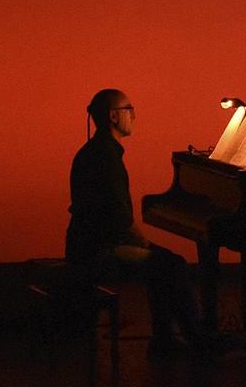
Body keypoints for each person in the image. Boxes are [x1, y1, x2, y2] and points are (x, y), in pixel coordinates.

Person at [66, 88, 202, 350]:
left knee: (163, 262)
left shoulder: (98, 151)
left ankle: (166, 339)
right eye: (130, 110)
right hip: (99, 250)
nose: (134, 116)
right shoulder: (106, 157)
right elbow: (119, 216)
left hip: (89, 242)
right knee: (171, 263)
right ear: (114, 116)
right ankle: (192, 339)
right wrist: (146, 244)